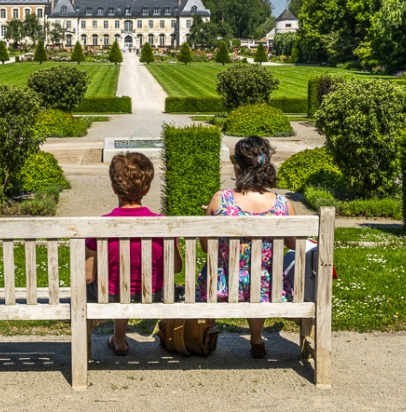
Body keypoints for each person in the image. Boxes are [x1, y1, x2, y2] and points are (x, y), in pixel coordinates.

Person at [198, 136, 296, 359]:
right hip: (267, 286)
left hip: (222, 284)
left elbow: (205, 247)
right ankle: (256, 339)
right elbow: (292, 244)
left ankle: (208, 332)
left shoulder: (220, 200)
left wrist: (211, 214)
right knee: (257, 277)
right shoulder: (283, 205)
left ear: (237, 166)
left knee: (214, 269)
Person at [85, 152, 183, 356]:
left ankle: (117, 340)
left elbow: (88, 275)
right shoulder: (163, 224)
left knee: (116, 284)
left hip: (110, 296)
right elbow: (176, 267)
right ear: (146, 189)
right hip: (155, 294)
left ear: (114, 188)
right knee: (129, 284)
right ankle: (121, 339)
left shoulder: (100, 225)